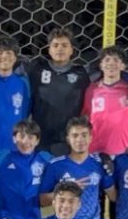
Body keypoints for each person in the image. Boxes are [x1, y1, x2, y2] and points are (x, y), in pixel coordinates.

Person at [22, 27, 92, 155]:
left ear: (71, 50)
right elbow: (8, 65)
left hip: (69, 139)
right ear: (49, 49)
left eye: (64, 45)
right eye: (55, 45)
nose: (60, 49)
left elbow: (110, 72)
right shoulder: (36, 69)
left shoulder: (82, 73)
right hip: (39, 138)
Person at [81, 45, 128, 156]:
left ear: (123, 66)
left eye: (116, 60)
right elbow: (85, 118)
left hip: (124, 152)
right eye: (107, 60)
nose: (111, 63)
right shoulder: (91, 90)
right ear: (101, 65)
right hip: (95, 151)